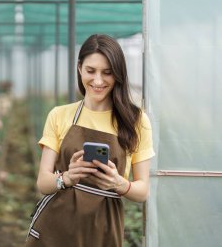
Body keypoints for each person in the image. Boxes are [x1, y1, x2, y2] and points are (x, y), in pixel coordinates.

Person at [25, 34, 155, 247]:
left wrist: (119, 183)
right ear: (79, 68)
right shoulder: (59, 115)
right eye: (90, 71)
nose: (97, 81)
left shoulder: (136, 121)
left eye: (107, 73)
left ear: (118, 73)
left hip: (103, 229)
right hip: (56, 227)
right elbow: (43, 183)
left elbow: (143, 191)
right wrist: (66, 178)